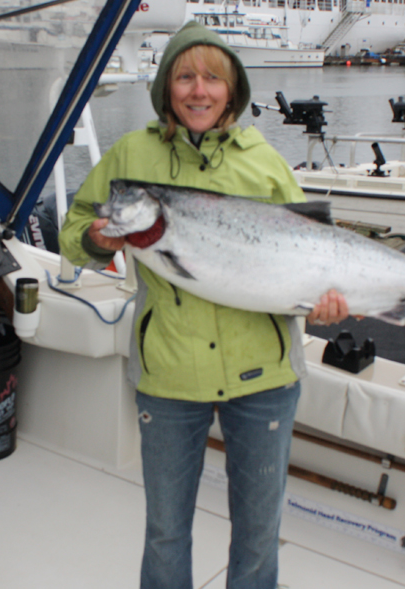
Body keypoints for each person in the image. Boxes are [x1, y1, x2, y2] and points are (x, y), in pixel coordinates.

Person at [59, 20, 351, 589]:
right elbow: (75, 227)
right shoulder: (131, 154)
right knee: (166, 532)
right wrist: (96, 239)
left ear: (232, 89)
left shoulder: (263, 160)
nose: (199, 90)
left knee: (258, 536)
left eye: (212, 79)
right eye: (186, 76)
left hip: (263, 375)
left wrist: (324, 303)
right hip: (169, 375)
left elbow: (312, 254)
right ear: (167, 85)